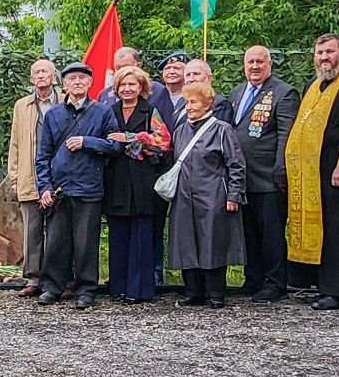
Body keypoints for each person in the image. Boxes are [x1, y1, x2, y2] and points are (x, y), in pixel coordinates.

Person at [284, 33, 339, 308]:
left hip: (337, 169)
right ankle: (321, 284)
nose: (324, 58)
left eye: (329, 52)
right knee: (320, 228)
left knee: (338, 230)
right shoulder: (314, 84)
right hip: (310, 173)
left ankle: (338, 290)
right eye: (319, 53)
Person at [34, 61, 118, 309]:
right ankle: (51, 288)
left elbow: (115, 147)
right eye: (72, 79)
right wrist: (44, 187)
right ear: (64, 85)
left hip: (89, 188)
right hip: (60, 190)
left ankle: (86, 290)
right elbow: (43, 155)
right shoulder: (53, 115)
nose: (78, 82)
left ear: (91, 83)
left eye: (83, 78)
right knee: (57, 243)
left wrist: (88, 141)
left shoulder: (103, 112)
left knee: (86, 244)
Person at [225, 45, 299, 301]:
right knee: (249, 233)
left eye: (260, 61)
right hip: (241, 177)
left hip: (268, 176)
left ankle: (275, 282)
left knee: (271, 234)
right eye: (250, 62)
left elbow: (285, 134)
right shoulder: (236, 93)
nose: (254, 66)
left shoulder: (283, 93)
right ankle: (253, 279)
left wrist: (281, 170)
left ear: (269, 64)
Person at [167, 83, 245, 308]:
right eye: (186, 102)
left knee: (213, 242)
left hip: (213, 195)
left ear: (207, 104)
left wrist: (234, 194)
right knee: (186, 243)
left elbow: (236, 164)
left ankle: (215, 293)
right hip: (184, 196)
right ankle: (193, 291)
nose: (188, 107)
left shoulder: (222, 130)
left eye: (193, 102)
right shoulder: (180, 130)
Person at [101, 67, 171, 303]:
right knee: (118, 235)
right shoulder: (109, 111)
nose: (127, 89)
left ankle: (139, 289)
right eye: (123, 85)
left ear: (142, 87)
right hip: (116, 181)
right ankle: (117, 287)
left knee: (142, 236)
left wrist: (131, 138)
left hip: (143, 182)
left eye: (132, 85)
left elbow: (163, 142)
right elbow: (105, 140)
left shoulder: (151, 111)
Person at [8, 58, 61, 296]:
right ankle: (33, 278)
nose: (41, 75)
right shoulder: (22, 105)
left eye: (45, 71)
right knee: (32, 230)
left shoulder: (64, 101)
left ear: (53, 77)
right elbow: (15, 143)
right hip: (29, 174)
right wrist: (14, 177)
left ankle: (60, 279)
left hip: (58, 175)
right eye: (36, 72)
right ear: (31, 79)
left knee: (59, 231)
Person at [101, 47, 176, 126]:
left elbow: (167, 128)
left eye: (127, 66)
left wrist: (130, 137)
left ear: (139, 65)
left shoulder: (158, 91)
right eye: (118, 68)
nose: (123, 71)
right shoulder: (104, 94)